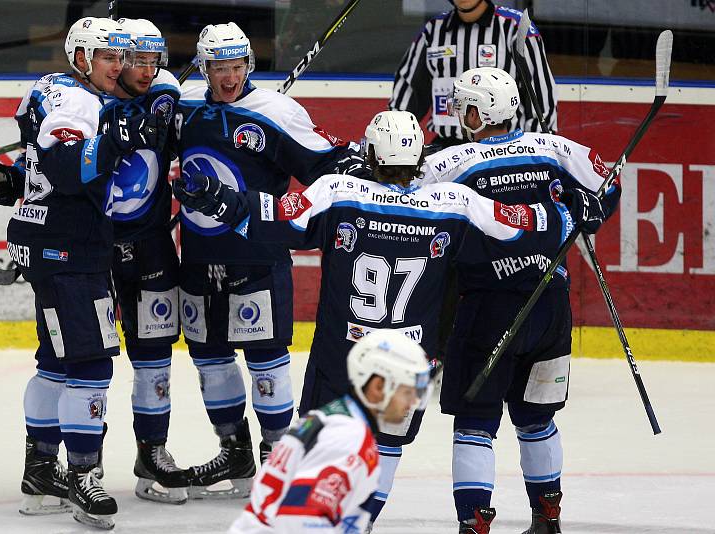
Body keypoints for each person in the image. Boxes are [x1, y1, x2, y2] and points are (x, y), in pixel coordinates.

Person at [174, 109, 606, 532]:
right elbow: (523, 224)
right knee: (383, 450)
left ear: (372, 157)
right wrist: (573, 208)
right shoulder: (454, 203)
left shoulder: (339, 193)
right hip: (405, 363)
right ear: (419, 158)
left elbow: (274, 214)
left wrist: (217, 197)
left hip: (340, 358)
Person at [0, 17, 167, 530]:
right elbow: (64, 168)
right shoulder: (78, 101)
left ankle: (39, 474)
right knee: (93, 363)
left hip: (46, 238)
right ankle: (82, 473)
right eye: (108, 57)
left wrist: (11, 178)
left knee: (56, 360)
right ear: (81, 57)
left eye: (121, 57)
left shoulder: (56, 90)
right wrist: (118, 139)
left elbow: (43, 165)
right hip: (67, 249)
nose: (118, 67)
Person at [418, 67, 620, 533]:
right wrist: (595, 209)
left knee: (474, 422)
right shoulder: (554, 148)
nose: (457, 112)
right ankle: (548, 518)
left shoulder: (453, 162)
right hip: (550, 308)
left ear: (480, 110)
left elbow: (405, 198)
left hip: (486, 311)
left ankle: (474, 524)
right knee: (537, 419)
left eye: (464, 104)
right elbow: (608, 183)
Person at [175, 21, 363, 499]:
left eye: (236, 66)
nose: (228, 76)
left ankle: (279, 456)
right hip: (198, 257)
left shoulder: (276, 112)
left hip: (257, 256)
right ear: (204, 67)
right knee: (209, 357)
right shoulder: (185, 107)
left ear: (248, 65)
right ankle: (233, 451)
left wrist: (364, 169)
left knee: (266, 359)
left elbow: (331, 165)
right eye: (218, 67)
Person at [228, 329, 432, 534]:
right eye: (408, 392)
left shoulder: (337, 420)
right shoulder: (346, 439)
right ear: (378, 386)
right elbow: (300, 520)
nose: (413, 403)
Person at [107, 17, 188, 505]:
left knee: (155, 356)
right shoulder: (89, 99)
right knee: (81, 360)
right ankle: (77, 465)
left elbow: (185, 126)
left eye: (154, 60)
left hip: (152, 245)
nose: (145, 70)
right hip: (94, 247)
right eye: (136, 60)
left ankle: (151, 452)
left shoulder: (165, 93)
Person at [390, 0, 557, 149]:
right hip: (448, 148)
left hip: (503, 148)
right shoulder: (433, 30)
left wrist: (537, 150)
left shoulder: (515, 27)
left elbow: (540, 95)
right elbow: (408, 95)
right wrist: (392, 138)